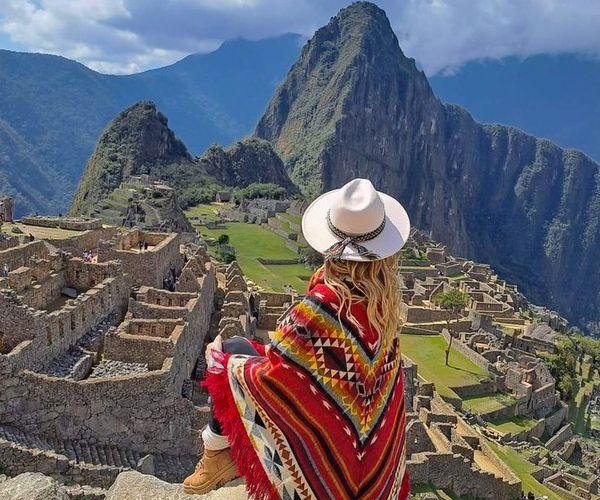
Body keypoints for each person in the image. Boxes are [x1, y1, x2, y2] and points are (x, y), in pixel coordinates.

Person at [184, 179, 411, 499]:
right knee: (246, 351)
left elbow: (277, 378)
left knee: (229, 352)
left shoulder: (320, 309)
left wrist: (222, 361)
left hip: (318, 485)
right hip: (373, 483)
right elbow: (345, 386)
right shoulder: (383, 316)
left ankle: (216, 455)